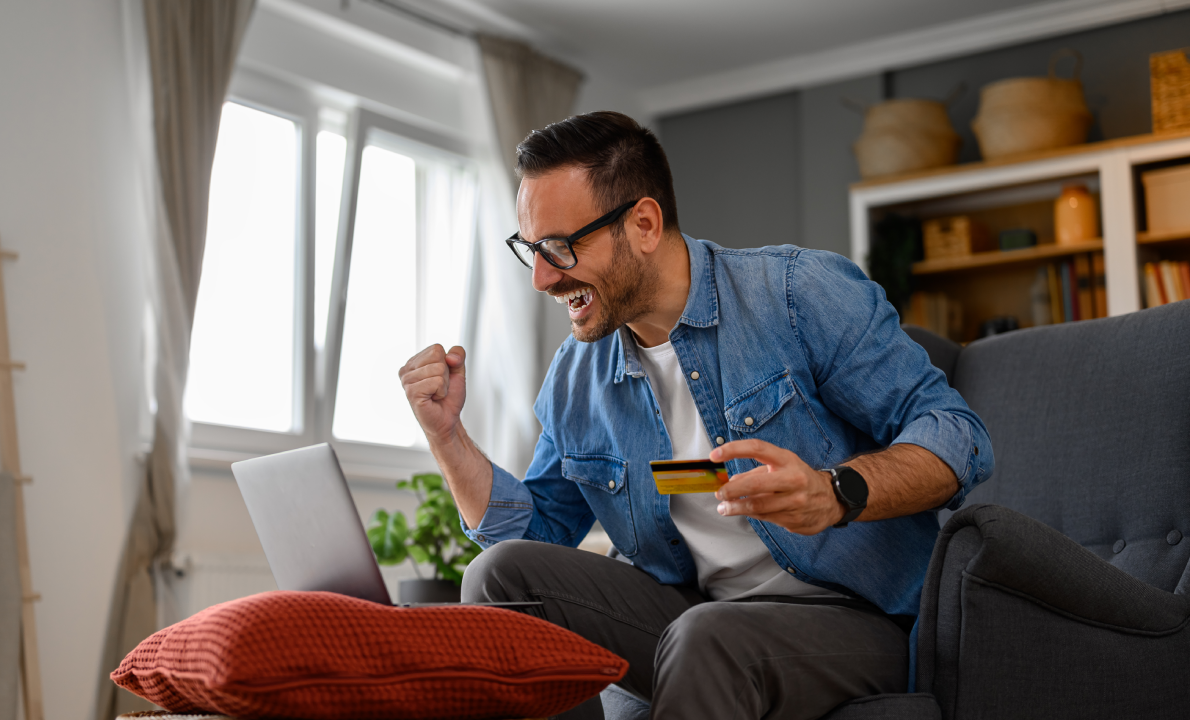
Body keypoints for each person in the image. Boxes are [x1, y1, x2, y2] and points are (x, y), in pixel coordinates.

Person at [397, 111, 993, 720]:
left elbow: (958, 436)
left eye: (562, 247)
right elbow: (537, 537)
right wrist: (447, 438)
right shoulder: (577, 377)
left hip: (852, 617)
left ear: (645, 224)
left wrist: (834, 492)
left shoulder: (794, 294)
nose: (544, 277)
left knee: (707, 635)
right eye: (532, 250)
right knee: (498, 574)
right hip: (689, 610)